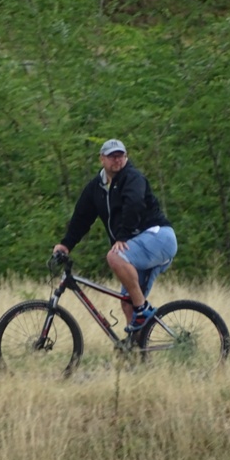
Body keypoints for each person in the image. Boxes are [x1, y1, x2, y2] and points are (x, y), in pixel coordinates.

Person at [52, 139, 178, 333]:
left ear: (126, 157)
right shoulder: (96, 188)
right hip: (136, 245)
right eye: (112, 156)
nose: (117, 160)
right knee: (128, 303)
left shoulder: (133, 177)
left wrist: (122, 237)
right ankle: (135, 348)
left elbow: (134, 204)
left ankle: (143, 309)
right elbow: (81, 218)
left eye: (121, 155)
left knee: (114, 256)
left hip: (158, 236)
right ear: (102, 159)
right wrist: (66, 245)